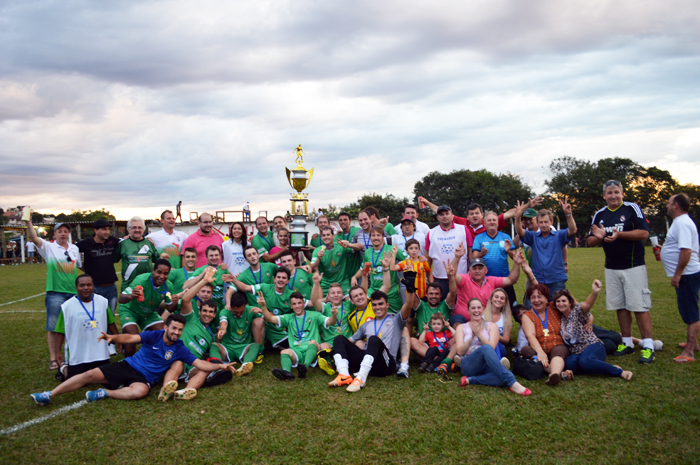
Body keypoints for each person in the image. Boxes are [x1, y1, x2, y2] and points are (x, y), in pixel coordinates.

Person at [30, 314, 235, 405]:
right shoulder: (153, 336)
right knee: (89, 374)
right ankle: (50, 394)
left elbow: (200, 364)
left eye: (180, 330)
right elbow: (130, 338)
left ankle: (105, 393)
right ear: (166, 327)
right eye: (174, 328)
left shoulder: (179, 348)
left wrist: (222, 365)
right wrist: (113, 337)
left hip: (144, 378)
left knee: (140, 392)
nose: (176, 333)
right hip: (128, 366)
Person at [588, 179, 655, 363]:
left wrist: (619, 234)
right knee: (621, 305)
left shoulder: (632, 208)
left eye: (616, 192)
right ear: (604, 196)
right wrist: (600, 237)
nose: (613, 196)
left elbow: (643, 233)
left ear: (623, 193)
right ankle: (627, 342)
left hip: (633, 265)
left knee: (639, 305)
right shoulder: (600, 214)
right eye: (609, 193)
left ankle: (648, 345)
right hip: (611, 267)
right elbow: (590, 241)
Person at [329, 275, 416, 393]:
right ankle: (344, 374)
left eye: (380, 304)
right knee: (339, 338)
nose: (377, 307)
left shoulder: (395, 320)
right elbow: (349, 342)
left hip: (386, 364)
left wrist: (410, 289)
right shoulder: (366, 325)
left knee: (374, 340)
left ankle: (360, 379)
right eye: (374, 305)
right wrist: (334, 350)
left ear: (387, 305)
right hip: (369, 362)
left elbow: (408, 306)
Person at [160, 267, 232, 400]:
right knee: (178, 364)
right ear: (199, 311)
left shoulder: (210, 336)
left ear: (214, 314)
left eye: (211, 312)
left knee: (205, 370)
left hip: (193, 364)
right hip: (178, 356)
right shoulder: (191, 318)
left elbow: (209, 354)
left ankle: (187, 391)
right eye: (205, 311)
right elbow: (186, 299)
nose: (207, 314)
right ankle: (166, 390)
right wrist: (204, 281)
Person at [24, 217, 82, 370]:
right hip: (55, 292)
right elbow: (34, 238)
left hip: (73, 292)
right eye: (59, 231)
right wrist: (29, 223)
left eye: (65, 231)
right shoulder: (48, 247)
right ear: (55, 234)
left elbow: (80, 267)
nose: (63, 234)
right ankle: (53, 358)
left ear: (69, 233)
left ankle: (72, 355)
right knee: (53, 326)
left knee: (73, 325)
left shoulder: (74, 249)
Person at [554, 281, 634, 381]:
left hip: (593, 346)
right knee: (570, 364)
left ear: (569, 302)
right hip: (577, 352)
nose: (561, 304)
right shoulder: (561, 318)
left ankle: (619, 372)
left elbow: (586, 305)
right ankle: (600, 366)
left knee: (585, 362)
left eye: (563, 301)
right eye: (558, 301)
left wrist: (594, 293)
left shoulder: (576, 311)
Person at [455, 298, 532, 396]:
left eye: (479, 307)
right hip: (470, 364)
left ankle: (471, 380)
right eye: (473, 308)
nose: (476, 310)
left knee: (501, 379)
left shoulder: (491, 326)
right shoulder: (462, 327)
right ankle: (512, 382)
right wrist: (471, 338)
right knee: (485, 349)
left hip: (488, 364)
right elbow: (460, 352)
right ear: (468, 310)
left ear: (483, 309)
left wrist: (479, 335)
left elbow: (492, 347)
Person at [256, 291, 337, 380]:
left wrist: (334, 315)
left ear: (303, 304)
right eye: (294, 304)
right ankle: (286, 373)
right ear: (291, 306)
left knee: (313, 342)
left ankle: (305, 367)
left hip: (312, 352)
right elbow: (270, 318)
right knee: (284, 352)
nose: (297, 306)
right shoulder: (288, 318)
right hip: (297, 350)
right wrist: (263, 306)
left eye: (299, 303)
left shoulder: (314, 315)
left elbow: (330, 322)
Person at [54, 274, 119, 381]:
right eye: (82, 285)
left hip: (100, 352)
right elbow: (60, 331)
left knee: (107, 378)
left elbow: (110, 323)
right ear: (76, 287)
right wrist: (57, 352)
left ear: (93, 286)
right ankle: (64, 369)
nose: (85, 288)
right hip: (78, 354)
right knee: (76, 381)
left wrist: (117, 339)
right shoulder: (67, 306)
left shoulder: (102, 301)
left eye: (89, 285)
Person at [660, 193, 700, 362]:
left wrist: (677, 275)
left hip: (687, 274)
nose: (667, 206)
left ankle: (690, 352)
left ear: (675, 205)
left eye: (669, 203)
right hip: (686, 274)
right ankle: (694, 344)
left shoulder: (682, 223)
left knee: (691, 312)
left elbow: (686, 251)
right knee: (687, 309)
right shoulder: (680, 222)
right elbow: (680, 248)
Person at [514, 198, 576, 299]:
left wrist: (568, 215)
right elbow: (520, 231)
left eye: (546, 222)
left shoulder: (559, 235)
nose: (543, 225)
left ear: (551, 222)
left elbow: (573, 230)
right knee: (535, 308)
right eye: (541, 222)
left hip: (556, 280)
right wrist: (517, 217)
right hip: (538, 280)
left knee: (556, 309)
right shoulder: (533, 237)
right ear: (537, 223)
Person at [227, 267, 299, 349]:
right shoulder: (265, 287)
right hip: (264, 322)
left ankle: (268, 342)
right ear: (274, 279)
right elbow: (246, 288)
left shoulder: (292, 295)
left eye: (284, 278)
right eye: (278, 277)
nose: (281, 280)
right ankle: (259, 349)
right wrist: (234, 280)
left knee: (294, 347)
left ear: (287, 281)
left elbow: (308, 303)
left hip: (277, 327)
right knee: (258, 321)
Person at [449, 248, 523, 327]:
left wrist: (517, 263)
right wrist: (457, 257)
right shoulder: (464, 279)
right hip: (462, 318)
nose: (477, 271)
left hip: (483, 319)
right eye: (474, 268)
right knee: (457, 323)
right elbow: (451, 274)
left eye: (480, 268)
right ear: (469, 271)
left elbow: (511, 280)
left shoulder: (492, 280)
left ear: (486, 270)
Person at [118, 259, 178, 356]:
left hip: (148, 313)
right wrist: (131, 296)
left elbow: (170, 309)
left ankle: (150, 358)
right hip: (129, 310)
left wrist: (174, 303)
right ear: (153, 271)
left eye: (165, 274)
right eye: (159, 272)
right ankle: (128, 364)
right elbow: (121, 299)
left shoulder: (168, 287)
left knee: (163, 333)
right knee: (133, 336)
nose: (162, 276)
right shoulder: (141, 280)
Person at [520, 283, 569, 386]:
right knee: (525, 350)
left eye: (540, 296)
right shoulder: (527, 315)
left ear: (547, 298)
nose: (537, 300)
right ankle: (557, 372)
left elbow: (575, 310)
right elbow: (530, 335)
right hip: (538, 348)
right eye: (533, 297)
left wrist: (589, 317)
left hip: (557, 346)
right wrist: (540, 352)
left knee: (558, 350)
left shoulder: (554, 307)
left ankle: (554, 374)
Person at [352, 229, 406, 311]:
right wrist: (355, 277)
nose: (375, 238)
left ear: (383, 237)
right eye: (373, 236)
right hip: (373, 290)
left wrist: (397, 267)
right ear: (370, 238)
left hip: (390, 292)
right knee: (362, 309)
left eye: (378, 235)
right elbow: (363, 268)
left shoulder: (392, 249)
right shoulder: (367, 252)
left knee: (398, 318)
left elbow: (409, 259)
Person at [472, 211, 517, 307]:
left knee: (511, 308)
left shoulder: (505, 237)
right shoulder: (479, 238)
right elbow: (473, 257)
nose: (492, 222)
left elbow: (515, 257)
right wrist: (481, 253)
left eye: (494, 220)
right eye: (489, 220)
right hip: (486, 280)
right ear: (484, 223)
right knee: (487, 308)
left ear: (497, 222)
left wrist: (509, 251)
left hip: (505, 279)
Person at [77, 219, 120, 317]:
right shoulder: (85, 243)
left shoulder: (112, 241)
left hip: (111, 287)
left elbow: (126, 242)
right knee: (94, 316)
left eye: (108, 229)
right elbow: (71, 252)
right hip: (94, 288)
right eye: (104, 229)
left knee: (110, 317)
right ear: (95, 231)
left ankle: (108, 333)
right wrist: (83, 267)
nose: (107, 232)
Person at [425, 205, 469, 300]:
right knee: (442, 308)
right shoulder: (431, 233)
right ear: (438, 217)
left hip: (460, 277)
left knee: (460, 307)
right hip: (439, 278)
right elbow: (428, 257)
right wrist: (429, 279)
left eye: (447, 214)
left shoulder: (463, 229)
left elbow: (470, 252)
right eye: (441, 214)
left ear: (452, 215)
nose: (444, 216)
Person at [217, 292, 264, 377]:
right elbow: (223, 322)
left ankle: (245, 365)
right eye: (235, 312)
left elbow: (272, 318)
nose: (238, 314)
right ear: (230, 307)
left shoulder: (251, 309)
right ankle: (217, 366)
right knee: (214, 346)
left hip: (244, 347)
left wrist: (262, 311)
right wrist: (222, 330)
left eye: (241, 312)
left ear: (245, 305)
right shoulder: (225, 311)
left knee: (255, 345)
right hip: (228, 347)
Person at [412, 282, 456, 369]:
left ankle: (440, 360)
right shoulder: (421, 307)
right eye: (431, 294)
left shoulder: (445, 306)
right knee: (412, 341)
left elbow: (453, 293)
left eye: (437, 294)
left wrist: (451, 276)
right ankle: (442, 360)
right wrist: (410, 285)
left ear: (441, 295)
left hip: (444, 344)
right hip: (426, 347)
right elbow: (411, 297)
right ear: (426, 295)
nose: (434, 296)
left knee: (459, 337)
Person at [114, 216, 159, 292]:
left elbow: (157, 261)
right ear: (129, 229)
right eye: (134, 227)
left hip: (147, 286)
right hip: (128, 287)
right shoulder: (122, 244)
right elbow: (114, 259)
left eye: (140, 228)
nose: (137, 230)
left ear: (144, 229)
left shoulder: (149, 243)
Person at [183, 245, 231, 312]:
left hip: (220, 309)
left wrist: (228, 303)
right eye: (211, 255)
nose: (214, 258)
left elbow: (231, 287)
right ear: (206, 257)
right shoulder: (201, 270)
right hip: (204, 309)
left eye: (216, 255)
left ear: (220, 256)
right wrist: (202, 274)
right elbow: (185, 286)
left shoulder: (223, 269)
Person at [311, 226, 353, 296]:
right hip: (325, 284)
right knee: (322, 304)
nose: (326, 237)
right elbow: (311, 268)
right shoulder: (317, 251)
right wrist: (319, 258)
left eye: (328, 235)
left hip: (342, 282)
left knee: (349, 303)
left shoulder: (341, 246)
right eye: (323, 235)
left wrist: (349, 245)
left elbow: (360, 247)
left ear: (333, 236)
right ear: (321, 237)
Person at [485, 288, 512, 359]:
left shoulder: (506, 318)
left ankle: (497, 363)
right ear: (491, 299)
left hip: (500, 349)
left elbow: (506, 340)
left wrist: (495, 335)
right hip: (483, 346)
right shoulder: (482, 315)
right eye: (496, 297)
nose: (499, 300)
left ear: (505, 302)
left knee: (494, 341)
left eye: (502, 298)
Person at [337, 211, 363, 283]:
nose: (343, 222)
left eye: (345, 220)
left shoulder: (357, 231)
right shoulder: (337, 236)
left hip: (358, 271)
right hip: (344, 275)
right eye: (340, 220)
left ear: (350, 221)